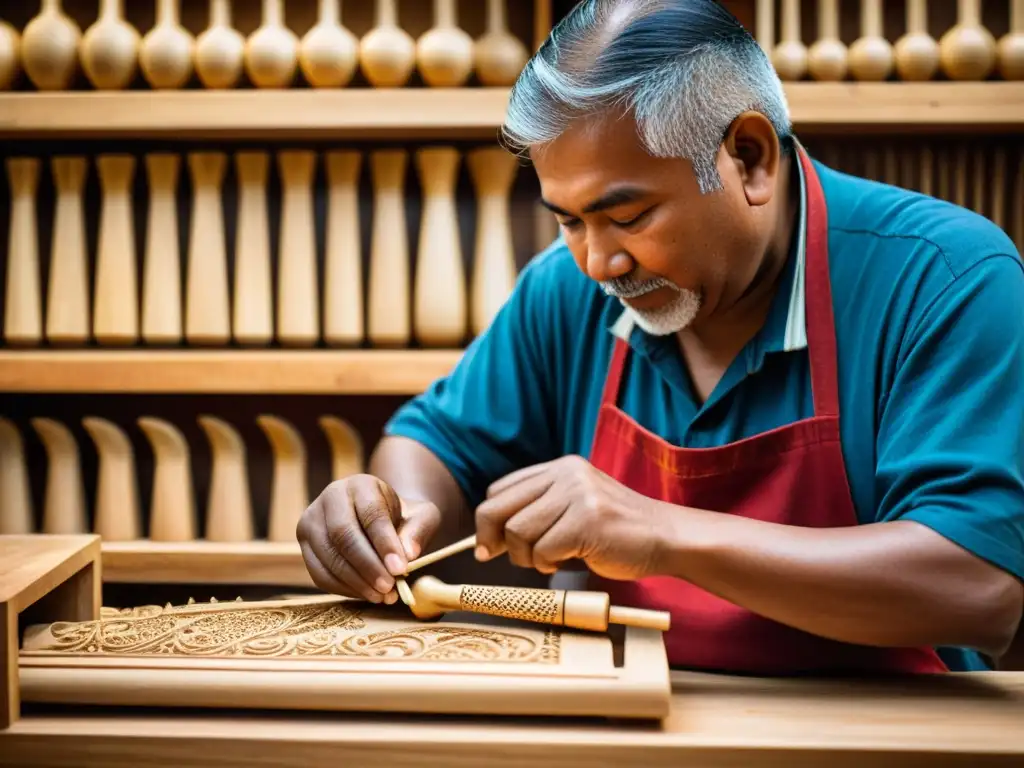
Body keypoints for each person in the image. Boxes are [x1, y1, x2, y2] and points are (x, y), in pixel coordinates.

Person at [297, 0, 1024, 675]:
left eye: (630, 215)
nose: (598, 263)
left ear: (749, 158)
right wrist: (392, 510)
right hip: (623, 728)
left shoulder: (945, 278)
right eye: (569, 220)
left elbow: (975, 586)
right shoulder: (565, 291)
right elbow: (434, 441)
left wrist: (658, 533)